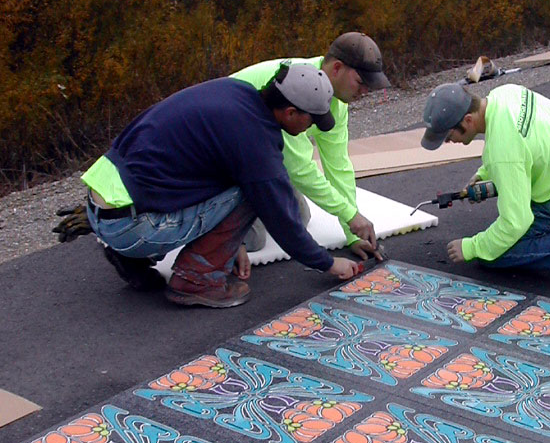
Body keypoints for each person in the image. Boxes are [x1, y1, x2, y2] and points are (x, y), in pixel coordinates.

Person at [81, 63, 361, 308]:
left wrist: (232, 244)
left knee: (243, 179)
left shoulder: (235, 91)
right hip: (132, 227)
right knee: (257, 193)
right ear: (290, 112)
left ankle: (131, 258)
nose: (311, 128)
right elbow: (282, 220)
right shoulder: (256, 141)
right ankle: (196, 280)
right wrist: (328, 263)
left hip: (103, 206)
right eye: (312, 120)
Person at [420, 82, 550, 279]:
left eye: (448, 135)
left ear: (468, 120)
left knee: (494, 254)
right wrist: (485, 174)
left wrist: (472, 247)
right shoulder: (505, 93)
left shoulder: (503, 152)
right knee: (501, 234)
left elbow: (516, 223)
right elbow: (521, 147)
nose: (448, 141)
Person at [231, 32, 390, 260]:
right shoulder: (296, 87)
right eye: (361, 82)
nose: (364, 92)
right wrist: (350, 215)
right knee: (254, 240)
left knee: (299, 216)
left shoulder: (337, 102)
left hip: (261, 154)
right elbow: (299, 169)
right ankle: (215, 220)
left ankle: (254, 203)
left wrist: (353, 234)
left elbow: (338, 165)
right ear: (337, 68)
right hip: (226, 156)